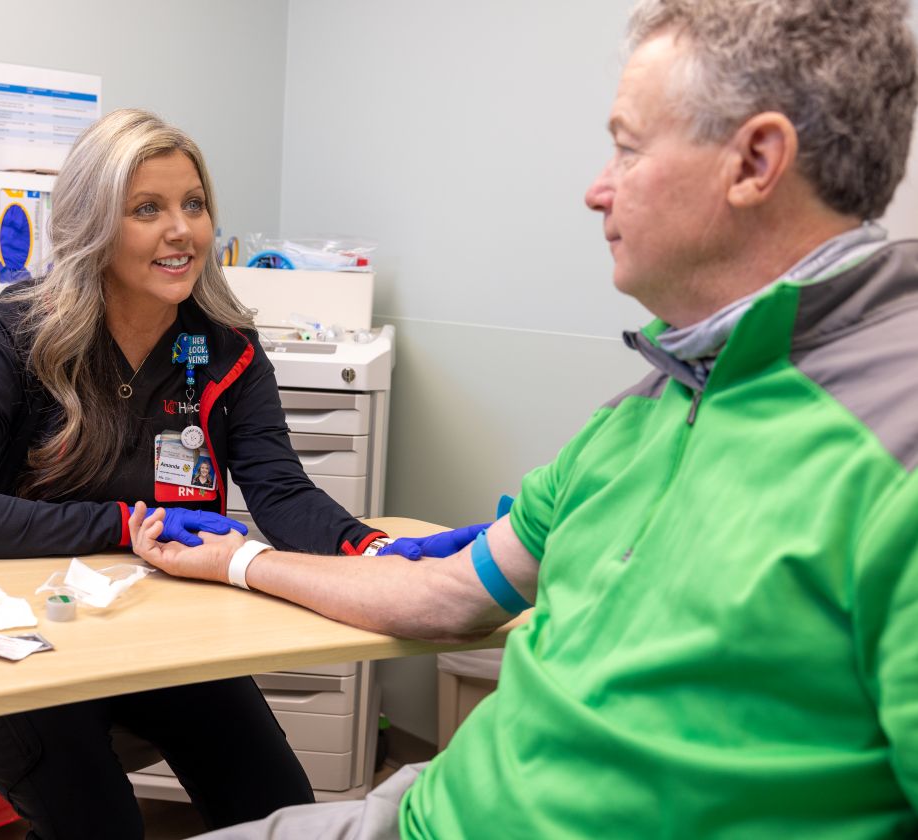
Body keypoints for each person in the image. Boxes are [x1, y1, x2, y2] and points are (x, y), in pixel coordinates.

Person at [129, 0, 918, 836]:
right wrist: (240, 562)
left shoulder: (890, 453)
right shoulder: (654, 401)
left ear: (755, 161)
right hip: (432, 810)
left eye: (627, 146)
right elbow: (446, 592)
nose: (595, 189)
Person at [0, 108, 394, 839]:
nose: (181, 230)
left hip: (162, 635)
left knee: (283, 815)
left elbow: (281, 491)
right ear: (95, 224)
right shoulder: (20, 335)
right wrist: (127, 525)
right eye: (147, 209)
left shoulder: (228, 352)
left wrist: (373, 551)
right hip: (30, 643)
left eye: (193, 204)